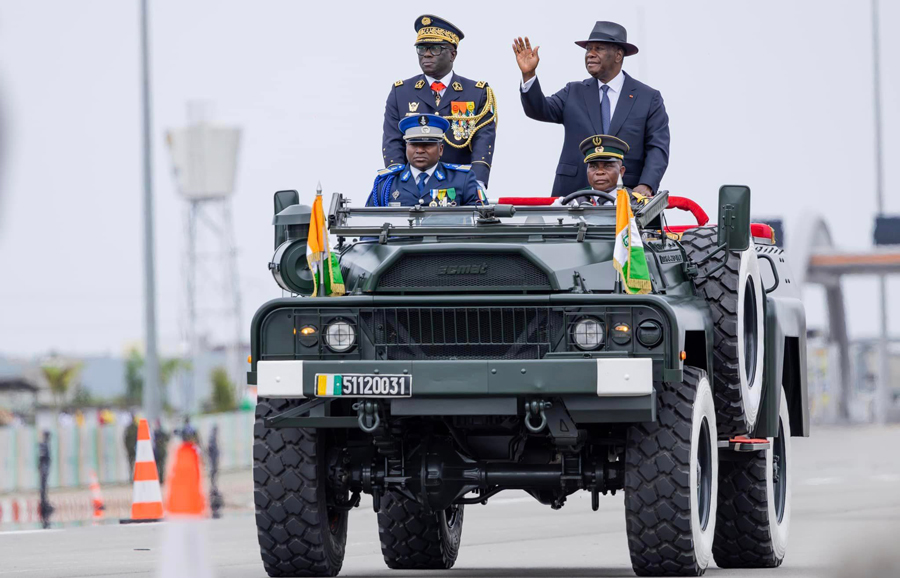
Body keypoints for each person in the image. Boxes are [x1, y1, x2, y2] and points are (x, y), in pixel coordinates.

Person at [513, 21, 669, 197]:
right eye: (588, 49)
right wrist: (528, 74)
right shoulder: (573, 91)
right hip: (573, 196)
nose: (590, 54)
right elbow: (539, 109)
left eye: (598, 48)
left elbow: (657, 147)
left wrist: (646, 185)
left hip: (628, 198)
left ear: (618, 55)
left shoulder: (648, 98)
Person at [383, 15, 497, 187]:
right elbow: (392, 140)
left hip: (459, 184)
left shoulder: (477, 93)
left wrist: (477, 183)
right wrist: (397, 182)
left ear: (452, 54)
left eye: (435, 48)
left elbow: (483, 142)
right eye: (421, 48)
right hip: (414, 184)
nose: (426, 54)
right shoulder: (401, 92)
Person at [369, 114, 483, 207]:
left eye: (427, 145)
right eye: (414, 145)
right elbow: (369, 229)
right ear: (406, 147)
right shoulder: (386, 183)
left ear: (441, 149)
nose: (419, 150)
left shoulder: (462, 180)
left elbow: (481, 223)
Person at [152, 419, 170, 485]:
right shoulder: (158, 432)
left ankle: (160, 479)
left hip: (159, 451)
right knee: (160, 465)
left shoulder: (155, 432)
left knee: (160, 465)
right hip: (159, 451)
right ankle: (160, 479)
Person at [123, 412, 138, 479]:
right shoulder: (135, 428)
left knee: (132, 464)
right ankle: (132, 477)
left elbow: (125, 439)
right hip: (133, 448)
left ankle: (132, 477)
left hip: (132, 448)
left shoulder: (132, 428)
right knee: (133, 463)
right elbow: (125, 439)